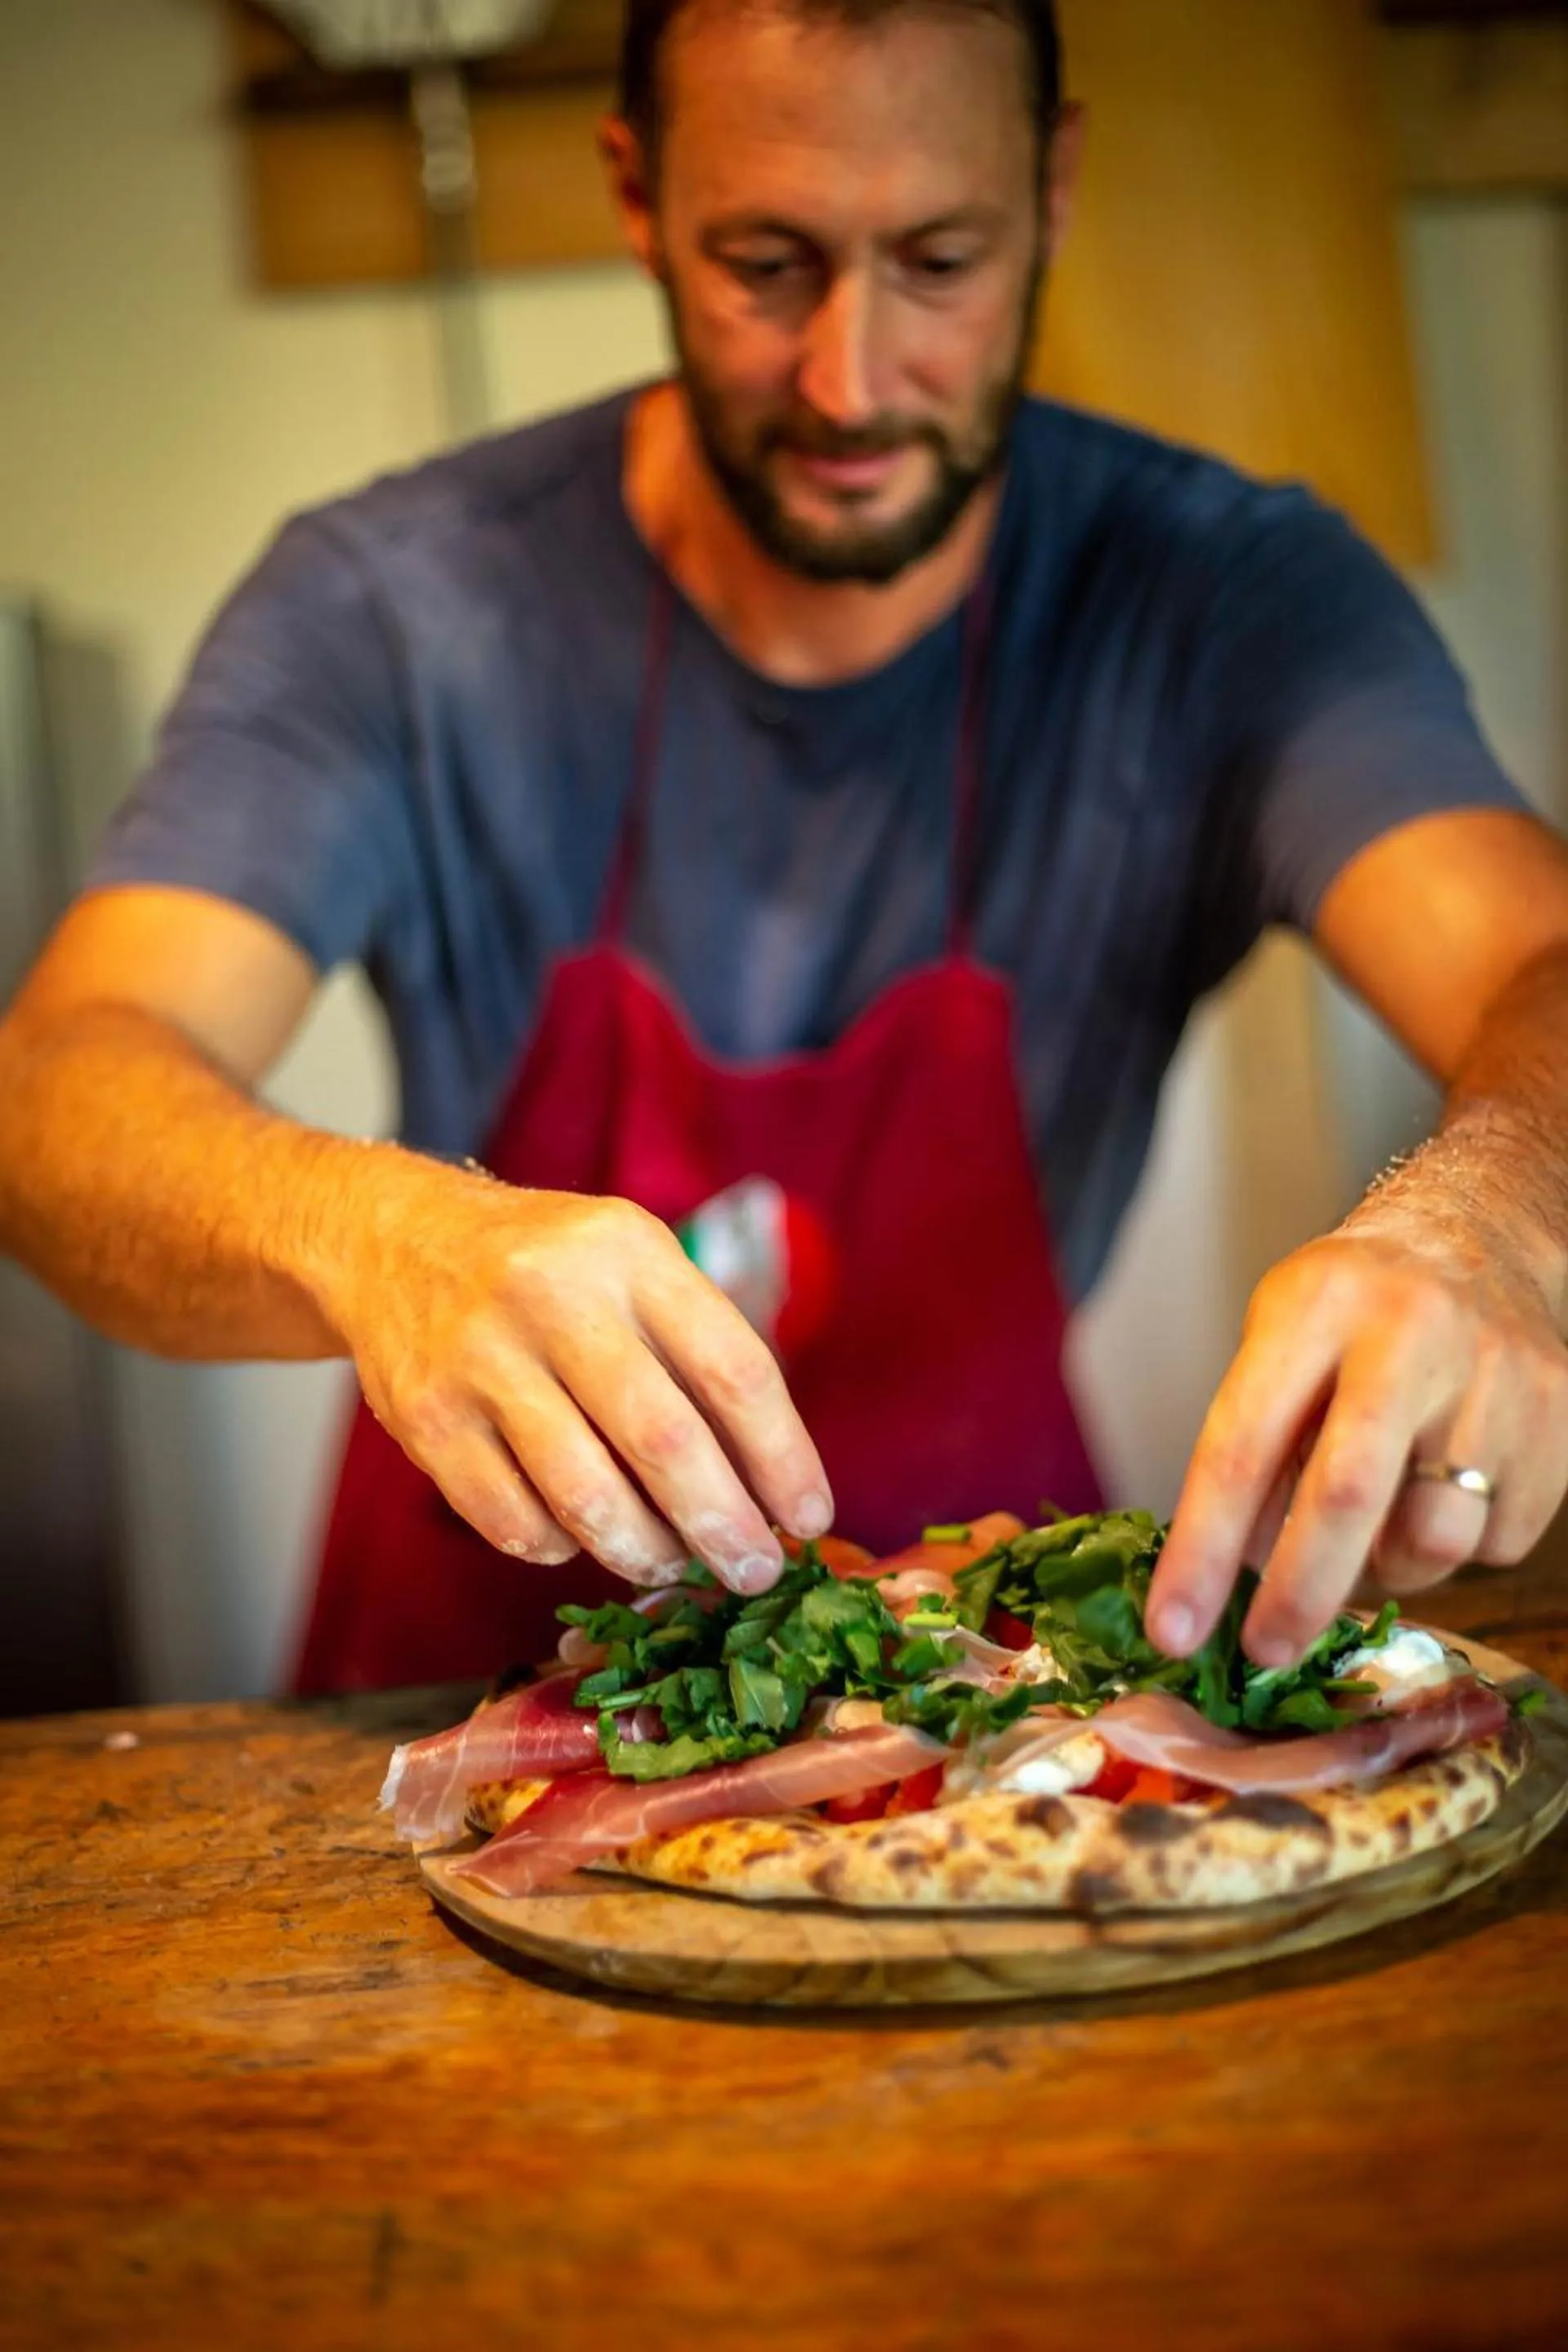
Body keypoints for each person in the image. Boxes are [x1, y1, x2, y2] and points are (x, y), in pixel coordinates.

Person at [2, 0, 1566, 1695]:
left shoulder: (1230, 603)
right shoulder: (393, 609)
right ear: (635, 192)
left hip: (994, 1714)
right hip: (468, 1704)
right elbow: (62, 1098)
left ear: (1052, 190)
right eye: (767, 262)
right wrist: (378, 1237)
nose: (850, 377)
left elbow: (1532, 961)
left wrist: (1499, 1214)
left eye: (943, 261)